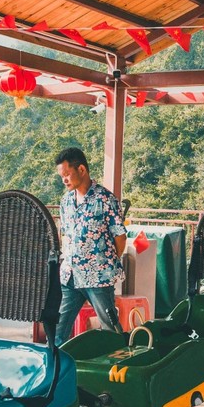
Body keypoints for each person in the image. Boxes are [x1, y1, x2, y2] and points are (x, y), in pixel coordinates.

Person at [53, 147, 126, 345]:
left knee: (109, 327)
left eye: (67, 175)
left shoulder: (105, 199)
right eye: (62, 176)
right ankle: (55, 367)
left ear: (82, 170)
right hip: (70, 275)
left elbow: (120, 236)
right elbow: (67, 235)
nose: (64, 180)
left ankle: (115, 365)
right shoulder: (66, 201)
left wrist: (105, 263)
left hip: (98, 277)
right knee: (58, 327)